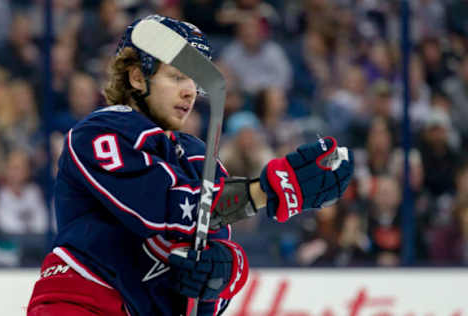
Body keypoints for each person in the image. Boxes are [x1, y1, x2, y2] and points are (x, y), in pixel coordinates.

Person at [27, 15, 354, 316]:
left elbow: (218, 241)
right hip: (81, 303)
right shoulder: (99, 132)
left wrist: (222, 271)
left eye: (194, 81)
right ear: (138, 77)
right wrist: (264, 192)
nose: (189, 91)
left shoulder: (195, 156)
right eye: (177, 76)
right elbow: (158, 208)